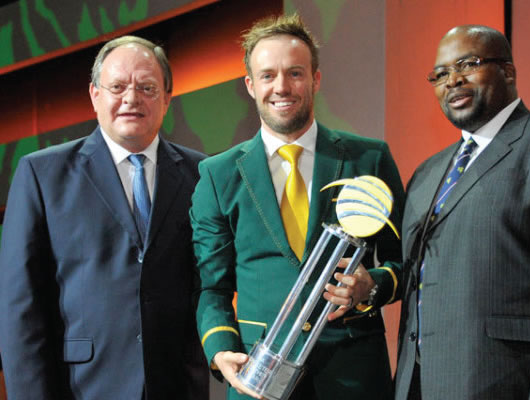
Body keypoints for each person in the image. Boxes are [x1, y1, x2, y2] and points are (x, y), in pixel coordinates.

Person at [190, 14, 405, 400]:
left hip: (355, 374)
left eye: (295, 73)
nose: (281, 87)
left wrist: (371, 285)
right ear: (250, 86)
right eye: (268, 75)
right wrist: (221, 350)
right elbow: (212, 287)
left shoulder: (368, 158)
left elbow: (406, 261)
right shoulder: (217, 174)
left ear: (316, 80)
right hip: (258, 376)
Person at [0, 36, 209, 400]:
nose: (132, 98)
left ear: (167, 98)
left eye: (147, 87)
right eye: (117, 87)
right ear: (95, 95)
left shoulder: (202, 174)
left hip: (177, 383)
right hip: (83, 386)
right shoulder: (42, 173)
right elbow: (21, 307)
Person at [395, 25, 530, 400]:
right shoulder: (427, 173)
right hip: (422, 383)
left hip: (511, 381)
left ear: (508, 71)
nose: (452, 80)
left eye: (468, 64)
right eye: (439, 75)